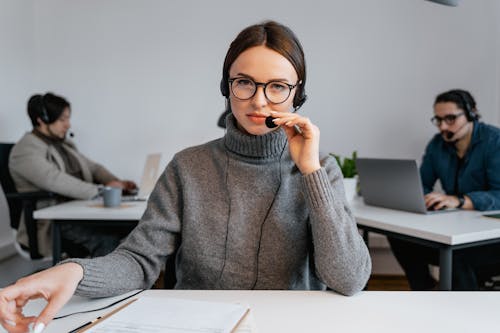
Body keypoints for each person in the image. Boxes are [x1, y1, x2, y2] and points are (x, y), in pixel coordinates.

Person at [0, 21, 371, 333]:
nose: (259, 101)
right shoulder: (188, 167)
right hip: (197, 324)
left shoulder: (321, 171)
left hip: (288, 325)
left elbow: (350, 278)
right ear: (227, 88)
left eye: (277, 87)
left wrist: (310, 171)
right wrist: (74, 273)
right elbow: (139, 260)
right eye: (245, 82)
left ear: (297, 96)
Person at [388, 89, 500, 290]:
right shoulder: (437, 145)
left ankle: (463, 312)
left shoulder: (495, 141)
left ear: (471, 113)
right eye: (438, 120)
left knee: (456, 254)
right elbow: (422, 183)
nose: (443, 126)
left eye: (450, 118)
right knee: (400, 238)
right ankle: (424, 293)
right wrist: (418, 197)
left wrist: (459, 200)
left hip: (489, 238)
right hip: (455, 229)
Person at [9, 92, 137, 258]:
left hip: (79, 212)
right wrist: (102, 190)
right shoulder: (25, 150)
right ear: (41, 119)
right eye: (63, 119)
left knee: (134, 227)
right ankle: (107, 282)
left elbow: (94, 168)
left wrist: (117, 183)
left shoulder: (64, 145)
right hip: (54, 222)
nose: (68, 125)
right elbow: (54, 179)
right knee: (108, 240)